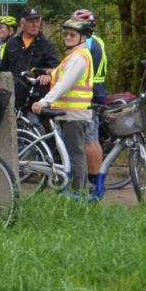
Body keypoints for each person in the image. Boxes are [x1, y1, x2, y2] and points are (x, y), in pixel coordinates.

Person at [32, 18, 95, 196]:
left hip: (74, 114)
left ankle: (78, 195)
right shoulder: (73, 56)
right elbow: (60, 75)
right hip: (69, 113)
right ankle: (75, 192)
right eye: (65, 33)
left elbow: (64, 83)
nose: (67, 37)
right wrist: (43, 72)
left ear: (82, 37)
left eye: (72, 34)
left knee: (74, 155)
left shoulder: (78, 58)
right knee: (70, 153)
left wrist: (44, 101)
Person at [0, 6, 60, 109]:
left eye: (37, 21)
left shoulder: (48, 45)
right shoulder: (12, 42)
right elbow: (3, 69)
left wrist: (47, 75)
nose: (35, 25)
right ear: (22, 23)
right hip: (13, 97)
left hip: (35, 99)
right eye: (31, 21)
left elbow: (56, 71)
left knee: (33, 124)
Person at [74, 8, 108, 188]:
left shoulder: (86, 42)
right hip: (99, 90)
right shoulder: (97, 41)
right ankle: (98, 179)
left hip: (89, 91)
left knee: (88, 139)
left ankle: (93, 180)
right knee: (93, 138)